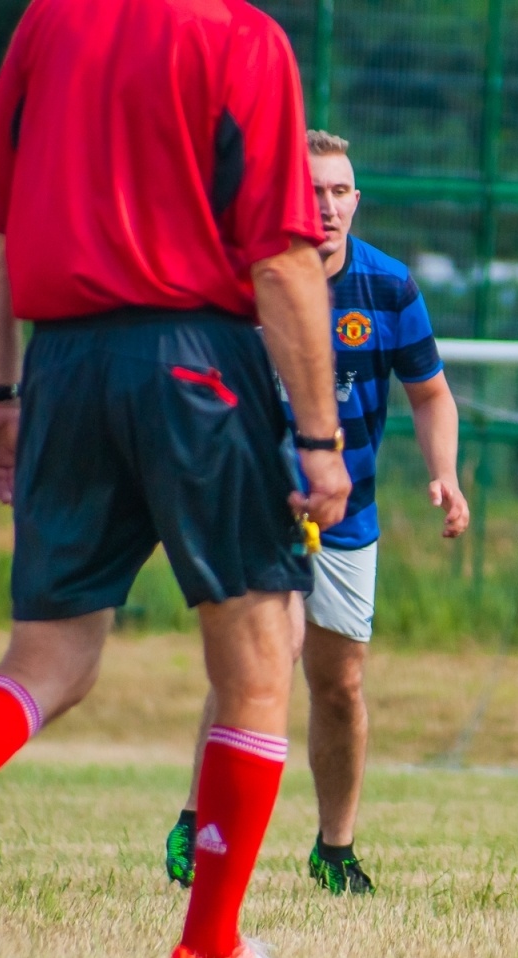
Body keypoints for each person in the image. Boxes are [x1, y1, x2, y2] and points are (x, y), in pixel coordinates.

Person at [0, 0, 350, 958]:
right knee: (256, 661)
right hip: (196, 364)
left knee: (48, 659)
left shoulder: (50, 23)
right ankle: (209, 945)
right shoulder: (243, 37)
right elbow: (285, 260)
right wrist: (320, 440)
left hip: (65, 364)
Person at [163, 130, 468, 896]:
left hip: (348, 514)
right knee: (251, 665)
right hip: (251, 501)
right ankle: (199, 822)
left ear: (357, 200)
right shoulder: (245, 280)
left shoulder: (389, 287)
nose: (327, 206)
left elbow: (431, 393)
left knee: (339, 684)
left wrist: (445, 474)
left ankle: (334, 849)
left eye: (340, 191)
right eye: (313, 192)